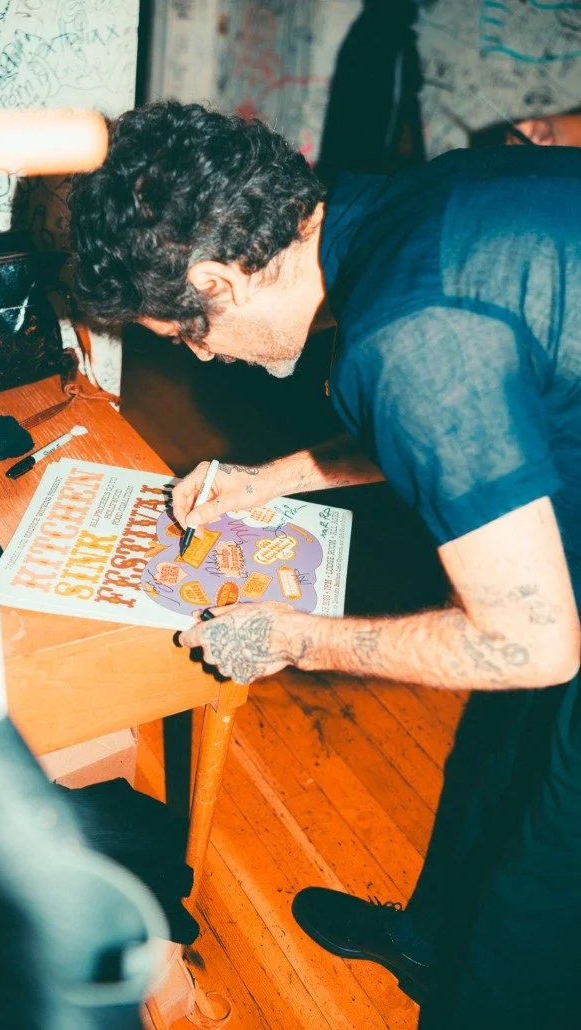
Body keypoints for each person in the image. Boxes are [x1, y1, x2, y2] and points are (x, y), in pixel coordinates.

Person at [69, 101, 581, 1029]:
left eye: (183, 333)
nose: (200, 353)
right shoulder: (389, 209)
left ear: (219, 280)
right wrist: (270, 480)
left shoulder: (411, 332)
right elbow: (463, 418)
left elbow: (532, 646)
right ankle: (433, 937)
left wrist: (293, 636)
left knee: (550, 871)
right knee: (502, 754)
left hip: (547, 610)